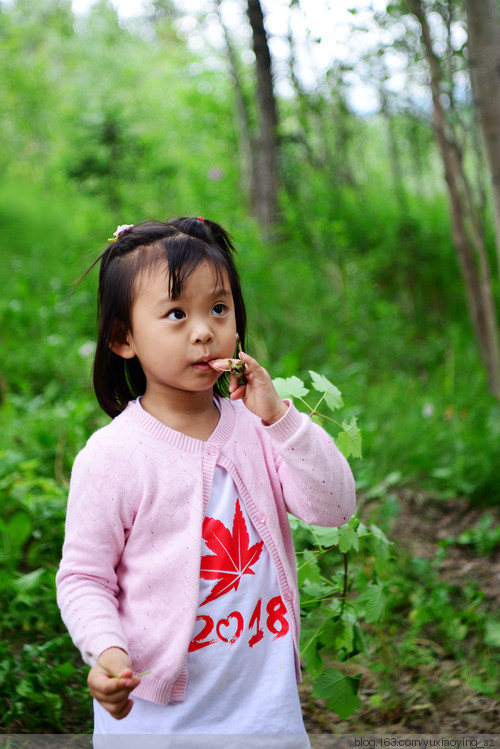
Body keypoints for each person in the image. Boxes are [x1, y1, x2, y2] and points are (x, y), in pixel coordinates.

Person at [56, 217, 356, 746]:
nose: (203, 330)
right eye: (176, 314)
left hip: (264, 713)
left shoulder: (259, 428)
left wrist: (280, 418)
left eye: (218, 308)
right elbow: (84, 577)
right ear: (123, 338)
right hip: (158, 723)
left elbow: (333, 508)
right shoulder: (113, 457)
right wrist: (107, 651)